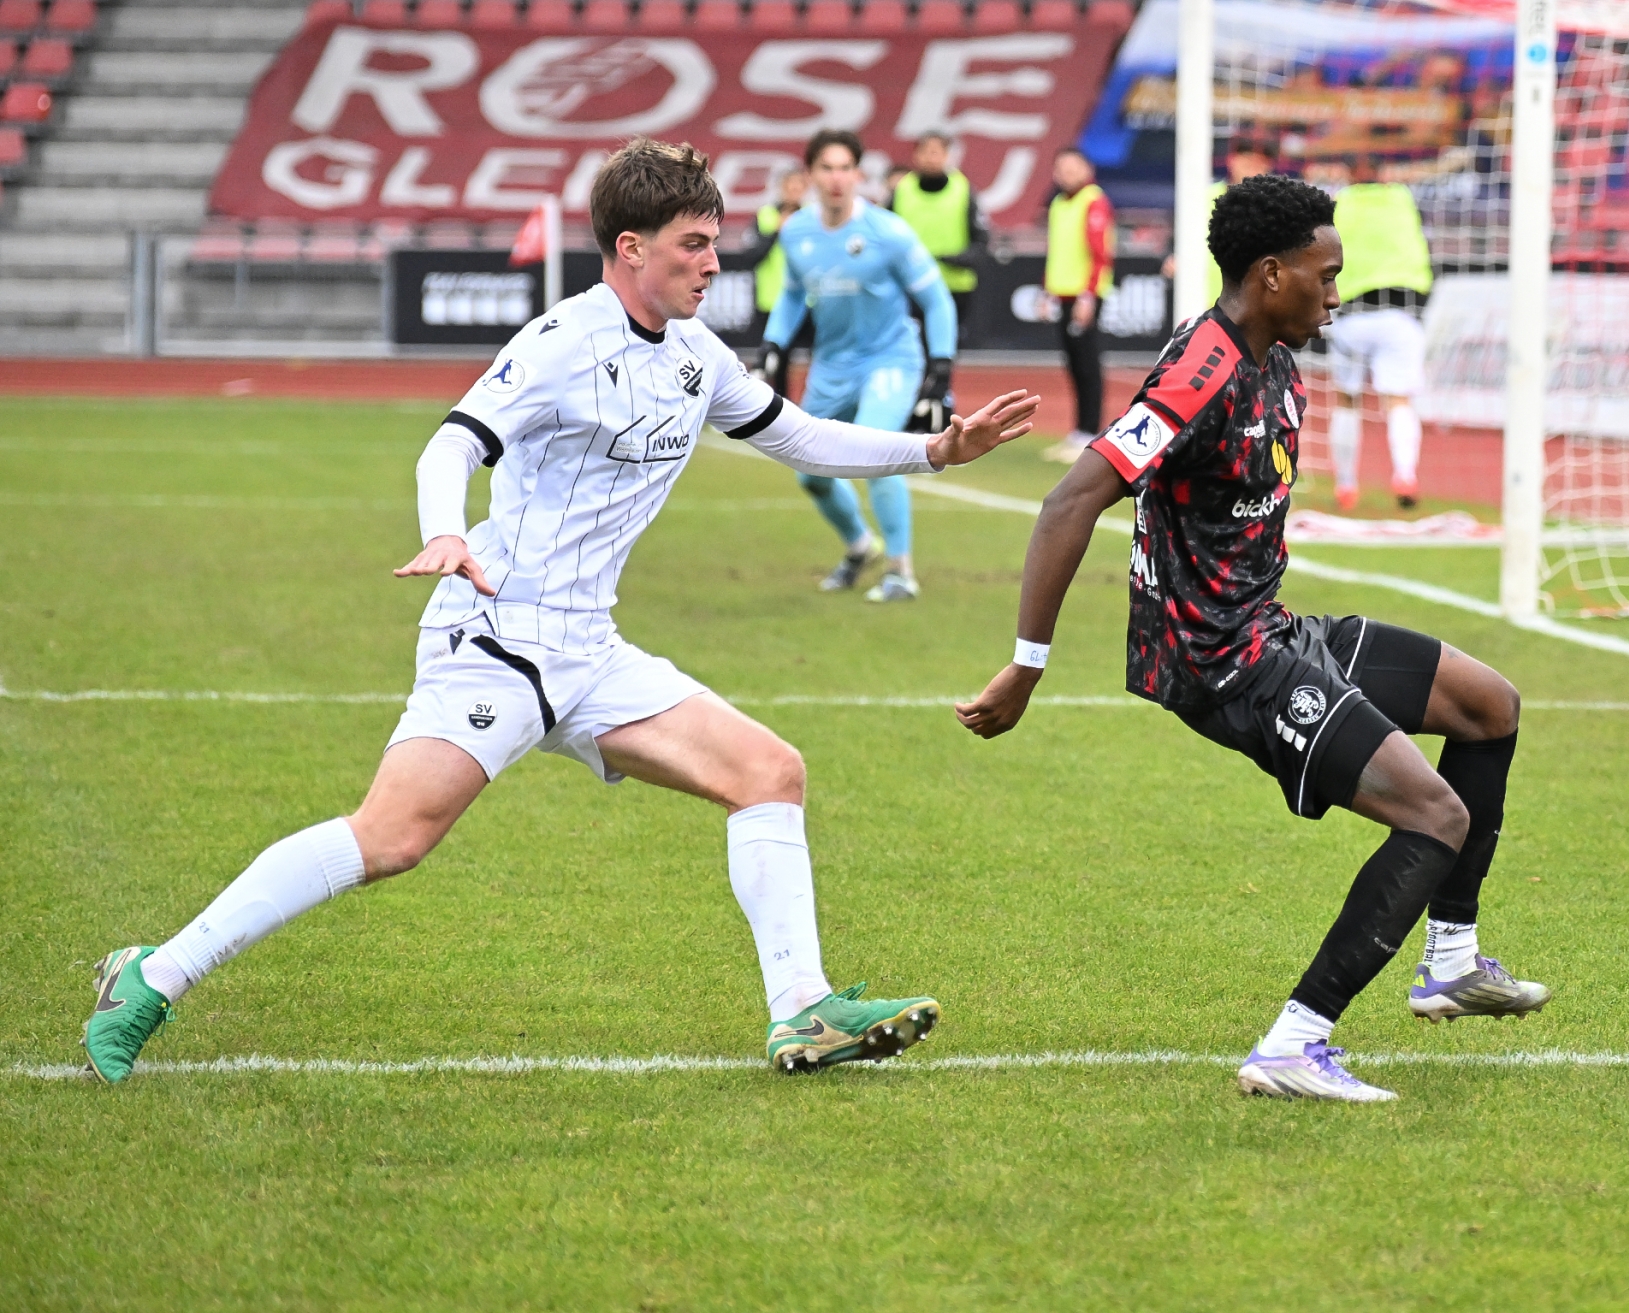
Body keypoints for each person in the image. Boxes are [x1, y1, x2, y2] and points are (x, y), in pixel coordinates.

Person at [79, 138, 1041, 1086]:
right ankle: (153, 976)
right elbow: (452, 444)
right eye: (693, 244)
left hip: (589, 647)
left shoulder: (696, 352)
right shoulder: (560, 342)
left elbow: (796, 435)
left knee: (768, 771)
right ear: (631, 247)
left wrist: (935, 452)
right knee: (392, 837)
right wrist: (445, 530)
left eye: (713, 242)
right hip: (497, 632)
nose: (714, 263)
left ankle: (804, 1009)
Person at [956, 174, 1548, 1103]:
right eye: (1327, 274)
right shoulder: (1203, 371)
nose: (1339, 294)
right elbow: (1072, 498)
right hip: (1221, 660)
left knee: (1489, 706)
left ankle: (1451, 957)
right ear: (1271, 275)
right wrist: (1028, 665)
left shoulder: (1274, 354)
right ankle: (1293, 1044)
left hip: (1270, 627)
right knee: (1435, 815)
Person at [758, 129, 959, 603]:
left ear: (858, 175)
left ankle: (900, 572)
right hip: (831, 365)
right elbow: (792, 295)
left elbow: (936, 299)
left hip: (890, 358)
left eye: (845, 168)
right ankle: (859, 546)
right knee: (809, 470)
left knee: (876, 451)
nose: (836, 178)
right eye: (826, 168)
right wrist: (773, 344)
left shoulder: (888, 232)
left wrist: (941, 365)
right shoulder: (796, 232)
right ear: (810, 174)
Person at [1322, 155, 1434, 510]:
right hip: (1400, 316)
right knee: (1399, 400)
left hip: (1351, 316)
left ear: (1349, 176)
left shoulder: (1340, 205)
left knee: (1347, 399)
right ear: (1383, 175)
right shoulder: (1401, 200)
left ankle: (1346, 485)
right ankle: (1405, 475)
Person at [1038, 146, 1115, 464]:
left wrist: (1088, 296)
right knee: (1073, 365)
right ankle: (1079, 431)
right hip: (1064, 294)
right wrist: (1047, 292)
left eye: (1072, 168)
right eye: (1061, 169)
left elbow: (1100, 253)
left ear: (1086, 170)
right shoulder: (1058, 203)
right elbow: (1057, 250)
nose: (1066, 175)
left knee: (1087, 365)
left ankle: (1089, 432)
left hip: (1084, 295)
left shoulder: (1093, 200)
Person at [890, 131, 990, 345]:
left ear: (947, 156)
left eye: (936, 152)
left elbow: (981, 239)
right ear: (916, 155)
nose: (931, 158)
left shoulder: (963, 189)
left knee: (944, 349)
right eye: (926, 152)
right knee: (912, 348)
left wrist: (959, 259)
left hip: (952, 285)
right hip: (910, 284)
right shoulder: (902, 190)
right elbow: (884, 235)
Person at [1160, 138, 1274, 306]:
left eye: (1258, 164)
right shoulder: (1203, 197)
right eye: (1246, 162)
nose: (1252, 169)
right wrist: (1172, 258)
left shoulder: (1274, 207)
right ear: (1231, 161)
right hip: (1202, 300)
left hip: (1253, 306)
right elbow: (1177, 239)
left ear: (1268, 167)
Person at [745, 167, 811, 398]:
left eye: (798, 187)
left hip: (810, 299)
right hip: (773, 300)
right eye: (789, 186)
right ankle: (778, 405)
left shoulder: (812, 217)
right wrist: (776, 231)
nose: (794, 191)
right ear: (781, 188)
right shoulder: (765, 216)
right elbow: (752, 256)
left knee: (820, 356)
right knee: (777, 359)